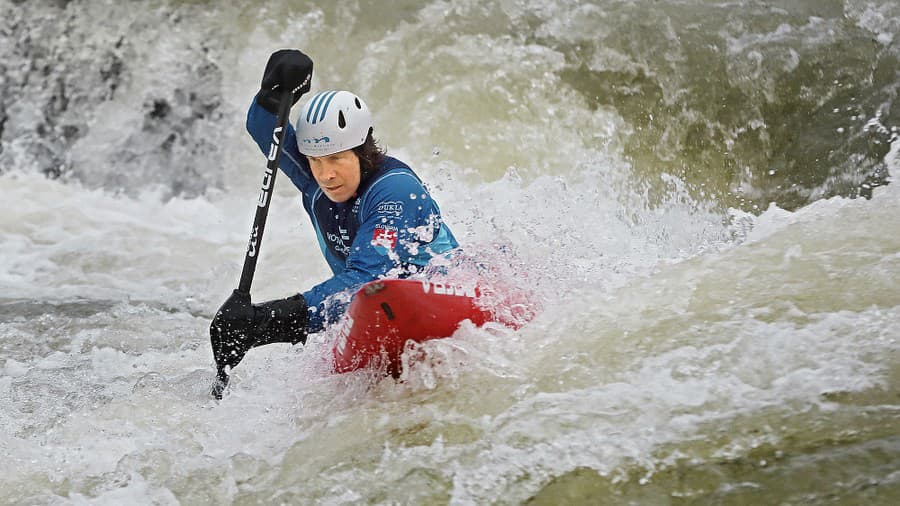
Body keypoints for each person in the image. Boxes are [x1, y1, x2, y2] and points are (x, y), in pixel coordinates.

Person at [209, 49, 459, 374]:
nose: (326, 174)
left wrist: (262, 324)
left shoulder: (395, 191)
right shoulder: (316, 183)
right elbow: (265, 130)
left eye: (336, 158)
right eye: (315, 160)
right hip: (365, 304)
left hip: (433, 294)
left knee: (369, 285)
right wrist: (273, 94)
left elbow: (369, 281)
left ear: (362, 148)